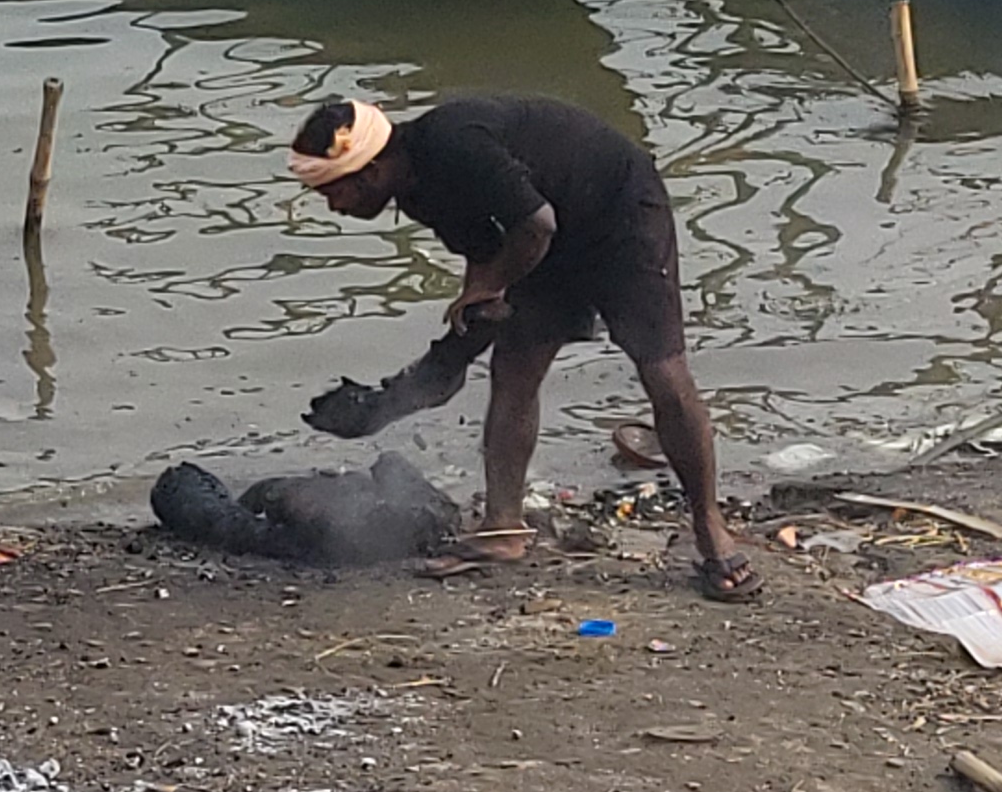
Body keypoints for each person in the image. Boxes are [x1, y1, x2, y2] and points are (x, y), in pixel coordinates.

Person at [288, 95, 759, 603]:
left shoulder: (452, 145)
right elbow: (488, 254)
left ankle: (711, 530)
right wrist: (448, 356)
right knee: (514, 372)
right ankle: (503, 528)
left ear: (373, 170)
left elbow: (536, 225)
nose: (334, 207)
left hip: (617, 215)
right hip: (543, 235)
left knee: (663, 372)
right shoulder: (417, 188)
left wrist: (485, 294)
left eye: (334, 192)